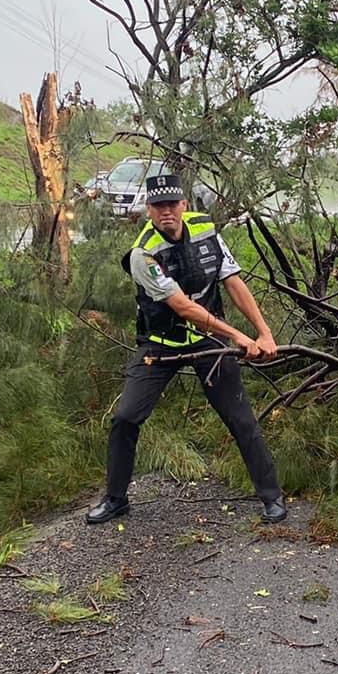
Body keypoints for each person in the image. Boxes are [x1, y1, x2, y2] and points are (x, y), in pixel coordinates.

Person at [86, 174, 287, 525]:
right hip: (161, 345)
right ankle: (116, 499)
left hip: (207, 342)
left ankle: (272, 496)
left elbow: (234, 282)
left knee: (240, 418)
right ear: (148, 210)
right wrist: (239, 336)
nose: (167, 212)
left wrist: (264, 332)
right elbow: (185, 308)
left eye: (172, 204)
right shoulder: (142, 254)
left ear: (183, 205)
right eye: (158, 206)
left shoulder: (207, 232)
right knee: (125, 418)